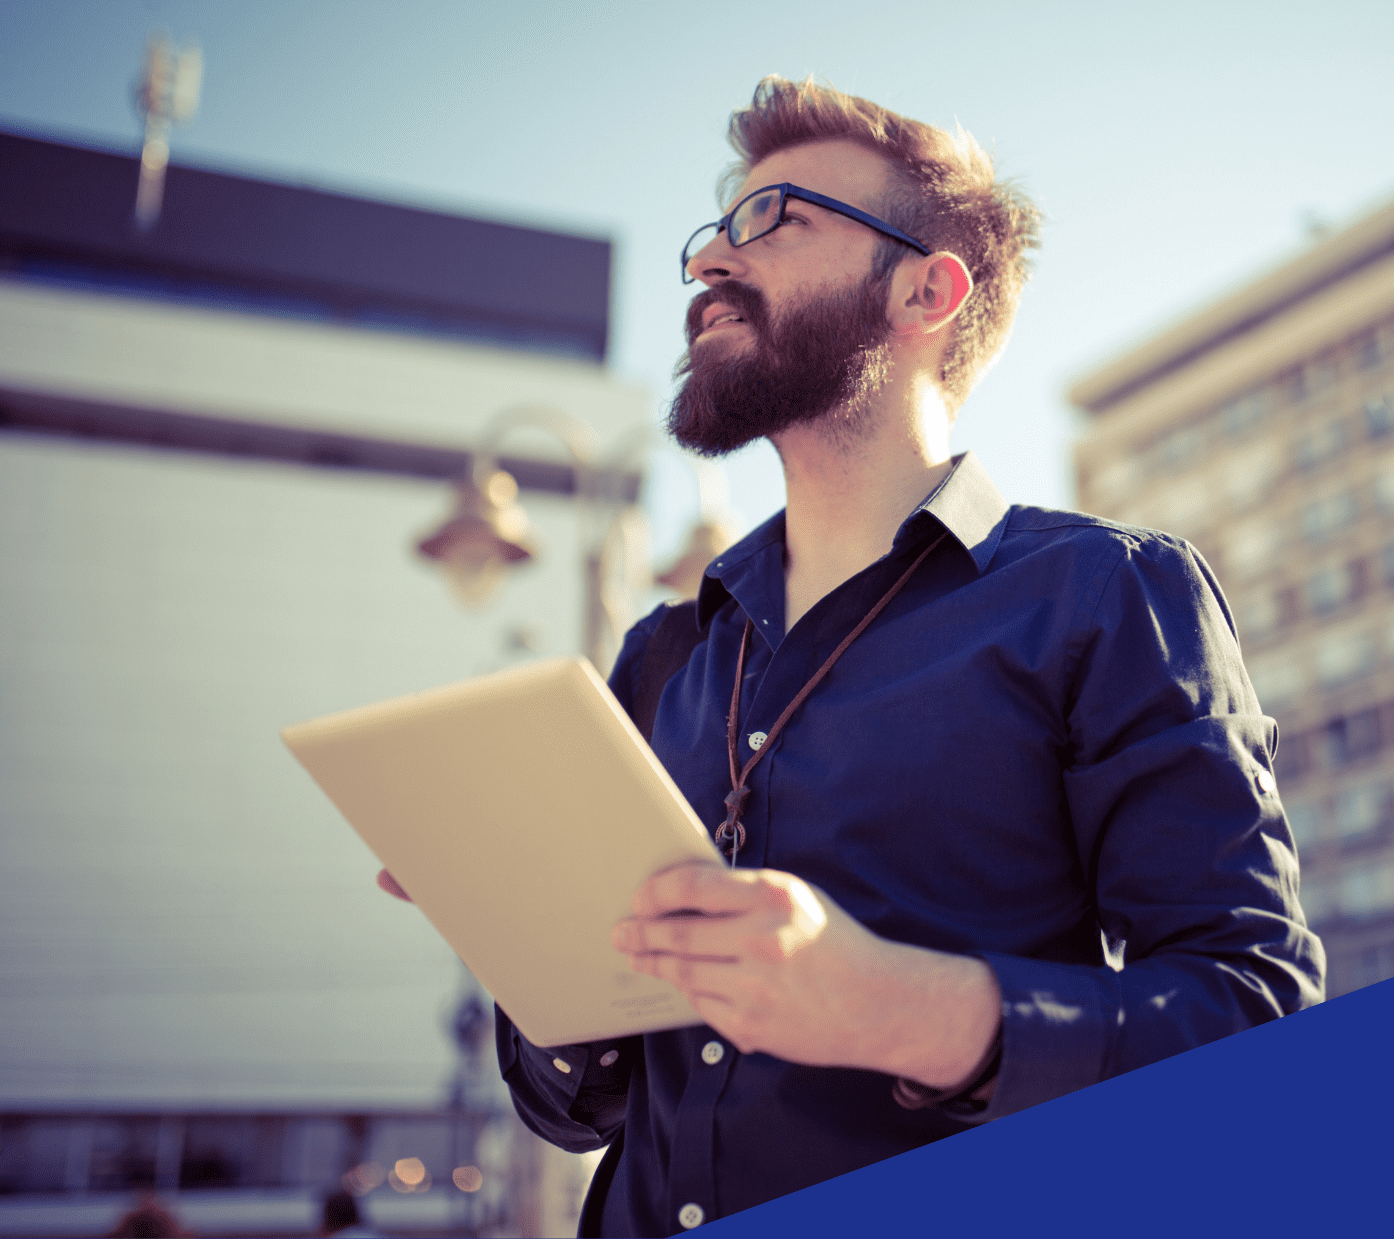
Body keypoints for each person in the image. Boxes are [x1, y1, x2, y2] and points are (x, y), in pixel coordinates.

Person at [384, 76, 1322, 1236]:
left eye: (774, 219)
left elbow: (1250, 1016)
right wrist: (524, 925)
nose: (710, 265)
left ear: (928, 290)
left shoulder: (1106, 595)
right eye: (715, 232)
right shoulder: (660, 656)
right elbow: (575, 1107)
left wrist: (902, 1009)